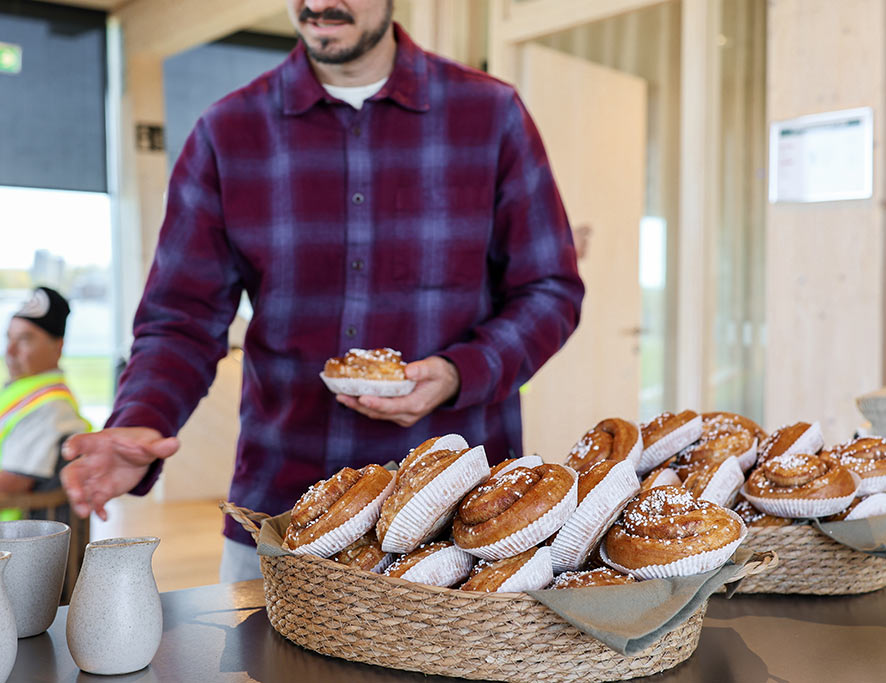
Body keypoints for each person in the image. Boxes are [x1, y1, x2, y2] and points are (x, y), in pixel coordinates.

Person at [61, 0, 585, 582]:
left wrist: (460, 371)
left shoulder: (490, 114)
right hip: (283, 512)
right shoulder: (228, 131)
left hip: (460, 527)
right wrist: (141, 416)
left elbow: (549, 289)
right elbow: (180, 317)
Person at [2, 287, 90, 518]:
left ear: (58, 346)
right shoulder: (22, 390)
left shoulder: (50, 407)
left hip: (11, 542)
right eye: (8, 338)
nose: (9, 351)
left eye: (25, 340)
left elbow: (10, 484)